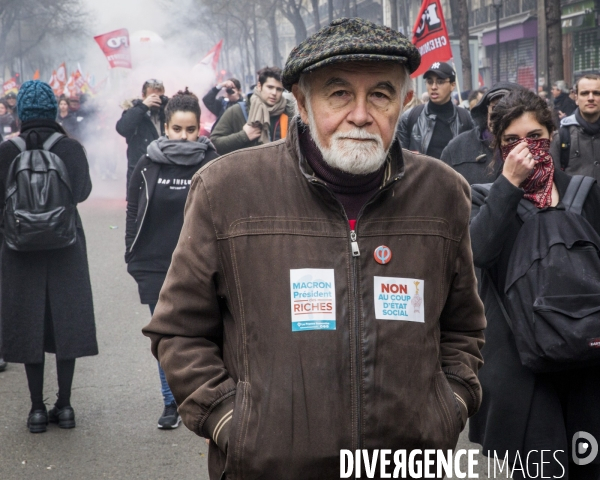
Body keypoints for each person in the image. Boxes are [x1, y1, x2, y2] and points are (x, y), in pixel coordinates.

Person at [143, 18, 486, 479]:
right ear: (301, 102)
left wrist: (447, 407)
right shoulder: (227, 190)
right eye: (339, 93)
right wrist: (232, 422)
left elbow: (463, 327)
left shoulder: (443, 194)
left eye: (380, 95)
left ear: (405, 102)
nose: (361, 115)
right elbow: (178, 331)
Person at [468, 88, 600, 480]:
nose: (526, 148)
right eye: (511, 140)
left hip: (586, 359)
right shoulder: (483, 198)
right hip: (521, 368)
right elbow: (479, 251)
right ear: (497, 145)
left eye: (536, 138)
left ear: (552, 136)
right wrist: (508, 187)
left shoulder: (587, 193)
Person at [0, 81, 97, 433]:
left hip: (18, 249)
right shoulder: (69, 147)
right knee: (66, 324)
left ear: (20, 113)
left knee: (28, 325)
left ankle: (36, 409)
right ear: (54, 112)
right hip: (65, 247)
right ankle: (66, 405)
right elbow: (82, 193)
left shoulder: (7, 150)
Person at [125, 88, 218, 430]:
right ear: (165, 127)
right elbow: (133, 209)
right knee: (165, 340)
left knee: (204, 334)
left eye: (190, 129)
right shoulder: (147, 163)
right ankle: (171, 402)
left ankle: (204, 397)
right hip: (153, 265)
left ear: (199, 128)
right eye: (177, 129)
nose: (184, 136)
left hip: (199, 266)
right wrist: (129, 252)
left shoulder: (212, 162)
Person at [441, 82, 522, 185]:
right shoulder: (456, 148)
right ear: (486, 110)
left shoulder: (536, 148)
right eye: (495, 107)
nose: (500, 114)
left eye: (508, 107)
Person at [210, 66, 295, 155]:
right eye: (270, 87)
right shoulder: (237, 111)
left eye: (279, 89)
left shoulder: (290, 112)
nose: (274, 93)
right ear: (259, 86)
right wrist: (243, 136)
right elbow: (215, 143)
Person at [397, 61, 473, 158]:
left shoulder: (466, 118)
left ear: (452, 85)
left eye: (440, 82)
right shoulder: (409, 117)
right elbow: (400, 160)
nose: (433, 87)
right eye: (429, 82)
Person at [116, 79, 167, 188]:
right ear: (143, 96)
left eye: (160, 97)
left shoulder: (168, 112)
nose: (156, 100)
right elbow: (122, 128)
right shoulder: (134, 111)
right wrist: (143, 107)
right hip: (139, 171)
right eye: (152, 97)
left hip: (164, 171)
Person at [550, 74, 600, 182]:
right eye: (585, 93)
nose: (591, 98)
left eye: (596, 93)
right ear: (576, 98)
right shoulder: (562, 137)